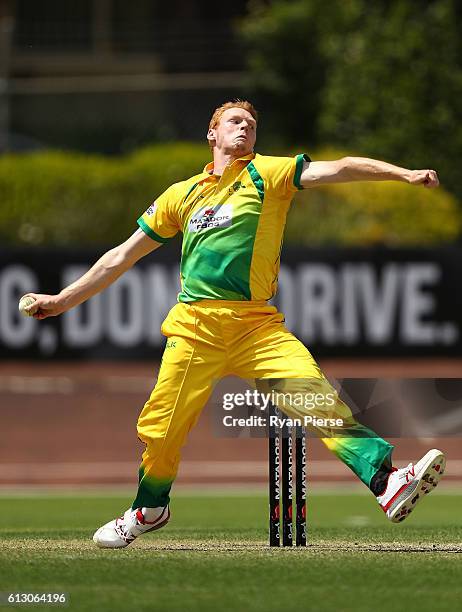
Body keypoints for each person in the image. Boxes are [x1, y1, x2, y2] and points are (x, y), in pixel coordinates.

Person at [22, 100, 446, 549]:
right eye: (235, 121)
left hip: (256, 327)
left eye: (251, 124)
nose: (245, 128)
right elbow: (121, 256)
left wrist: (403, 174)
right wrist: (63, 299)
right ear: (213, 134)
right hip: (194, 329)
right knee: (161, 428)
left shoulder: (269, 173)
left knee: (314, 396)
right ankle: (149, 508)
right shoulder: (181, 194)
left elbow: (340, 168)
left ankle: (387, 482)